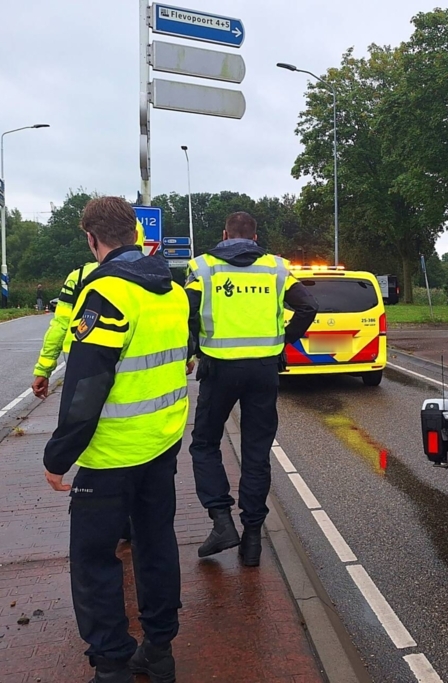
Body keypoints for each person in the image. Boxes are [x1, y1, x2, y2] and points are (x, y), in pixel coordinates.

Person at [43, 197, 190, 683]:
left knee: (92, 560)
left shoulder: (104, 292)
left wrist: (58, 455)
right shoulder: (170, 289)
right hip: (162, 442)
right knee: (156, 544)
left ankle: (111, 666)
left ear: (92, 238)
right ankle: (160, 650)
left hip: (110, 455)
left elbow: (87, 387)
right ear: (135, 233)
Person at [186, 211, 317, 565]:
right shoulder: (276, 268)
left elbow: (188, 311)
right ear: (255, 238)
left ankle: (221, 520)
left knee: (204, 443)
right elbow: (308, 307)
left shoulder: (203, 267)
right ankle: (253, 540)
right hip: (264, 370)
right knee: (257, 452)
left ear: (225, 233)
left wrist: (194, 346)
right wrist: (281, 341)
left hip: (219, 370)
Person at [31, 220, 147, 399]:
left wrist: (43, 369)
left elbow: (61, 325)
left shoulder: (79, 278)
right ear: (138, 238)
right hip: (144, 380)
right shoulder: (158, 279)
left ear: (92, 240)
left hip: (83, 374)